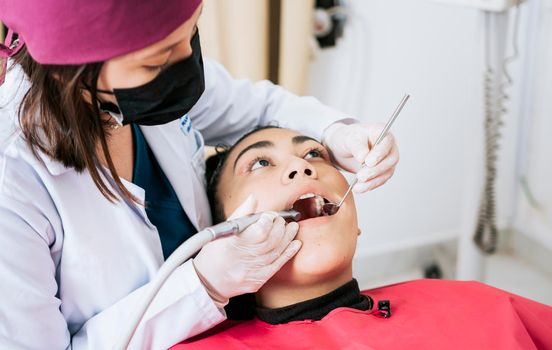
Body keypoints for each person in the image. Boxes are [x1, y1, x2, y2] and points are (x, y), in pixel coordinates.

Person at [0, 0, 400, 348]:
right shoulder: (13, 179)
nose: (185, 64)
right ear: (66, 71)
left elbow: (259, 110)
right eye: (155, 61)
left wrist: (337, 131)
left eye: (191, 32)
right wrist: (203, 284)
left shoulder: (152, 71)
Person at [172, 126, 552, 349]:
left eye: (315, 154)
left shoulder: (478, 304)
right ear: (221, 234)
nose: (301, 166)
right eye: (260, 163)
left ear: (355, 221)